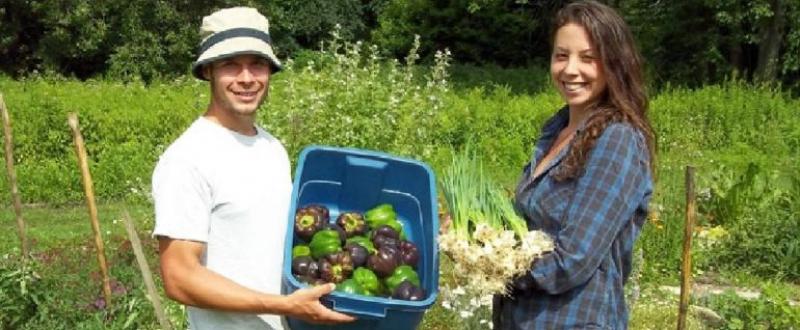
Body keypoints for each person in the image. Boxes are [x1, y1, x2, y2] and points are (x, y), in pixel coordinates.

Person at [151, 7, 355, 330]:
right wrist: (280, 305)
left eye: (257, 64)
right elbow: (179, 277)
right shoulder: (187, 158)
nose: (246, 78)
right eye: (231, 64)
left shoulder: (273, 148)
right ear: (208, 72)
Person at [493, 1, 655, 329]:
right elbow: (531, 229)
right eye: (561, 55)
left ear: (615, 64)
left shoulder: (617, 139)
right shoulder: (557, 130)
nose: (570, 70)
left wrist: (493, 268)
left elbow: (573, 260)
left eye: (588, 58)